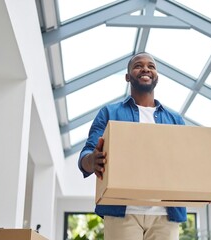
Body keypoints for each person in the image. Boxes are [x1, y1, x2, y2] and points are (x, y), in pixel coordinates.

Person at [78, 52, 187, 240]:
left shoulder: (175, 120)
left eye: (151, 66)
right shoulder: (109, 113)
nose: (145, 69)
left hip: (165, 214)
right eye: (138, 65)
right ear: (128, 77)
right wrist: (92, 161)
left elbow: (186, 162)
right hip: (121, 211)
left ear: (157, 77)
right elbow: (86, 154)